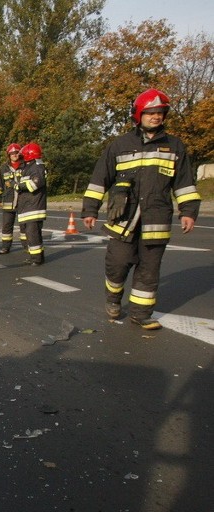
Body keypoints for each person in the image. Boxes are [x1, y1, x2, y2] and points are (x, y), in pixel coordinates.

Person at [82, 88, 200, 330]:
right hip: (123, 218)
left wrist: (188, 211)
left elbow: (185, 182)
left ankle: (141, 313)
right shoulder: (120, 145)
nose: (156, 117)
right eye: (150, 113)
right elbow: (99, 178)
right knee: (118, 264)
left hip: (156, 218)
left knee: (149, 270)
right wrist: (90, 210)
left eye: (160, 113)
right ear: (139, 114)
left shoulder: (175, 147)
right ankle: (113, 299)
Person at [15, 143, 48, 265]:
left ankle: (37, 259)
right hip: (28, 206)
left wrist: (17, 186)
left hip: (34, 207)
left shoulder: (37, 167)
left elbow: (33, 185)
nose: (22, 157)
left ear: (29, 155)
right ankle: (36, 256)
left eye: (23, 155)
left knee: (33, 234)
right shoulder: (29, 167)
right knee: (30, 234)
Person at [0, 143, 25, 254]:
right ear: (9, 155)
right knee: (7, 226)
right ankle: (5, 247)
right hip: (8, 201)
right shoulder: (4, 168)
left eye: (16, 153)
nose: (14, 155)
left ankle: (27, 247)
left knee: (24, 227)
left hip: (23, 201)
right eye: (12, 153)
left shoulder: (25, 166)